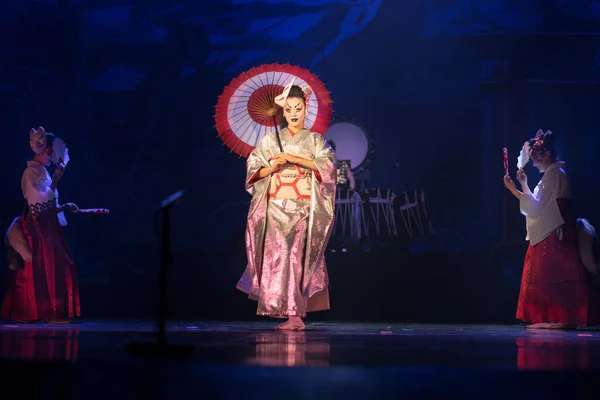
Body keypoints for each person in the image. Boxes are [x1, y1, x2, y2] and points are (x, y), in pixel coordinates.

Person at [236, 80, 336, 331]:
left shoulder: (315, 140)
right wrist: (272, 168)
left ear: (306, 108)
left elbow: (328, 168)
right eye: (288, 109)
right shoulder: (270, 141)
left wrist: (293, 158)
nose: (293, 113)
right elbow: (253, 169)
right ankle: (286, 312)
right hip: (275, 207)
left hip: (302, 208)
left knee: (296, 257)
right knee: (276, 259)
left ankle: (295, 316)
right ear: (282, 112)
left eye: (298, 108)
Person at [503, 130, 598, 329]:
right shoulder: (551, 175)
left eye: (536, 156)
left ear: (546, 154)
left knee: (551, 273)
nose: (534, 161)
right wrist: (520, 186)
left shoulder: (554, 174)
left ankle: (559, 317)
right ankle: (551, 317)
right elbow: (535, 204)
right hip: (550, 230)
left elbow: (535, 207)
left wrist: (517, 188)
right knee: (541, 270)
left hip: (555, 232)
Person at [1, 126, 80, 323]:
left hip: (46, 226)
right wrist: (56, 183)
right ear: (41, 150)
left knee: (55, 266)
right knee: (46, 267)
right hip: (38, 228)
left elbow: (48, 200)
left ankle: (51, 312)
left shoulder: (41, 171)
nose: (52, 155)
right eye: (49, 151)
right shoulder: (31, 173)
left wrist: (61, 200)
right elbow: (40, 206)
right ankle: (47, 312)